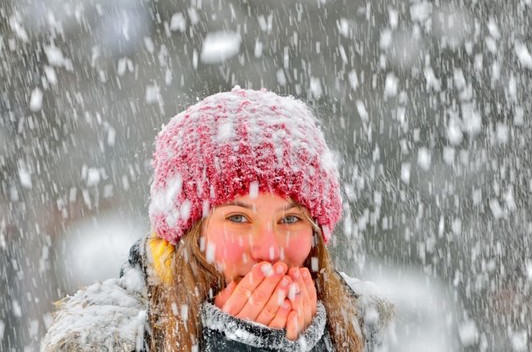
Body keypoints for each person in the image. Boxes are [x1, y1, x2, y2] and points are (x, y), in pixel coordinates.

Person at [42, 87, 394, 351]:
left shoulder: (360, 327)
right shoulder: (105, 339)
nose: (270, 250)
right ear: (187, 235)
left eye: (290, 220)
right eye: (238, 218)